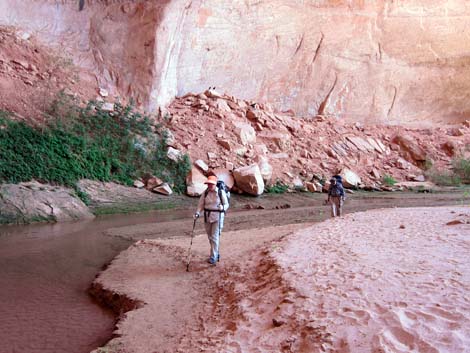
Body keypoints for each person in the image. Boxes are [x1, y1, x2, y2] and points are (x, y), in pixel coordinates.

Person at [194, 175, 229, 265]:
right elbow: (200, 205)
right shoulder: (205, 193)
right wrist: (198, 213)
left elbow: (226, 204)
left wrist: (222, 207)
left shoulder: (221, 192)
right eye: (208, 184)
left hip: (218, 216)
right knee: (210, 237)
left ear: (215, 184)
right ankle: (216, 252)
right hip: (207, 217)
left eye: (211, 184)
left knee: (214, 237)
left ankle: (213, 257)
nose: (209, 185)